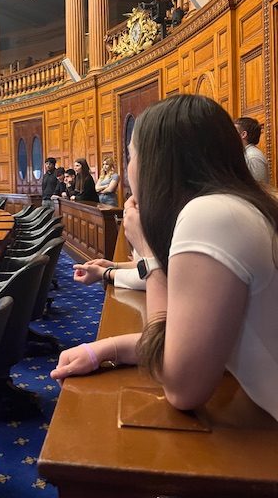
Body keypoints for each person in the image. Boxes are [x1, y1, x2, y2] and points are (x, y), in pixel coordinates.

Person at [51, 94, 278, 421]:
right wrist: (106, 349)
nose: (129, 169)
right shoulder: (239, 205)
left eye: (131, 155)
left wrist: (148, 254)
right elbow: (195, 337)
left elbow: (181, 387)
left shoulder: (211, 216)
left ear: (156, 163)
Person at [235, 116, 269, 183]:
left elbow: (258, 189)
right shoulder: (246, 154)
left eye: (234, 131)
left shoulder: (253, 157)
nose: (230, 134)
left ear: (243, 134)